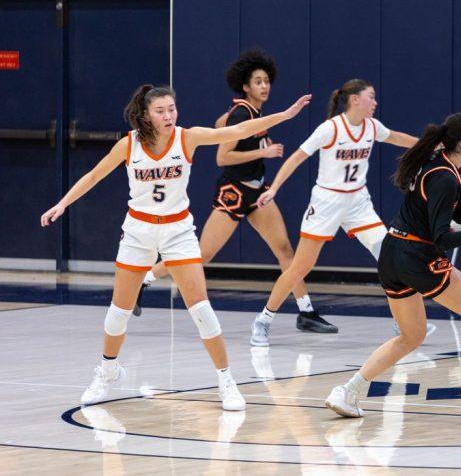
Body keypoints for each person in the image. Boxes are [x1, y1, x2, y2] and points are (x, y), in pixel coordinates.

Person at [40, 84, 310, 410]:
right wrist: (62, 204)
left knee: (201, 310)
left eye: (172, 108)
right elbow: (94, 176)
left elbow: (237, 130)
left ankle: (226, 381)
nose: (169, 115)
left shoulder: (188, 137)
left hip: (177, 231)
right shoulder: (129, 145)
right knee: (118, 314)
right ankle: (108, 371)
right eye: (160, 111)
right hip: (138, 231)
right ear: (145, 115)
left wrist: (284, 115)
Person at [325, 113, 461, 424]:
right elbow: (441, 239)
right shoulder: (444, 178)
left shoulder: (447, 164)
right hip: (418, 256)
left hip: (392, 253)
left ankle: (348, 391)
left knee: (411, 335)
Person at [138, 50, 334, 332]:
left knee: (285, 250)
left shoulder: (249, 111)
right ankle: (145, 278)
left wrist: (247, 138)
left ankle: (306, 312)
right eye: (258, 81)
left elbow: (222, 123)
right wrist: (262, 151)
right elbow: (222, 157)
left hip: (257, 191)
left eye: (266, 80)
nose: (264, 86)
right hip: (234, 193)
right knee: (201, 255)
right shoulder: (243, 111)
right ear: (245, 86)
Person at [249, 79, 417, 346]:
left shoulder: (373, 126)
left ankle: (403, 322)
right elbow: (296, 158)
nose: (375, 102)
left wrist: (427, 146)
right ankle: (263, 320)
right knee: (299, 267)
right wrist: (274, 189)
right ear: (354, 100)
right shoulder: (330, 129)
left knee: (390, 256)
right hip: (327, 202)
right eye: (371, 97)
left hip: (358, 202)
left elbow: (397, 137)